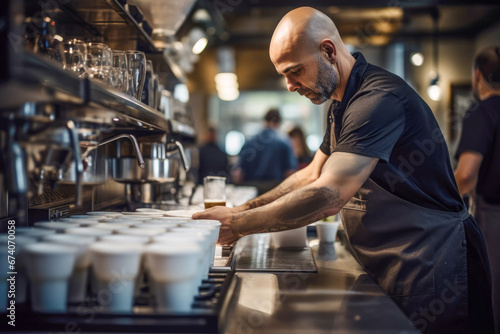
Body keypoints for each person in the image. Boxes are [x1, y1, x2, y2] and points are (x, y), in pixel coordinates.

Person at [194, 7, 493, 334]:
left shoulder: (377, 99)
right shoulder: (340, 105)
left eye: (294, 71)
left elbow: (329, 193)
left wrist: (238, 225)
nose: (290, 85)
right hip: (394, 259)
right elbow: (310, 175)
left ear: (328, 51)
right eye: (283, 75)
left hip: (431, 262)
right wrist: (241, 209)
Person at [454, 46, 500, 333]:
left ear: (478, 76)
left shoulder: (482, 112)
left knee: (492, 296)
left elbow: (467, 175)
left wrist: (438, 203)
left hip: (494, 215)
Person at [232, 108, 297, 195]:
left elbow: (238, 174)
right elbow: (289, 173)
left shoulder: (250, 141)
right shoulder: (284, 142)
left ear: (265, 121)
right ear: (278, 123)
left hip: (250, 190)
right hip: (273, 190)